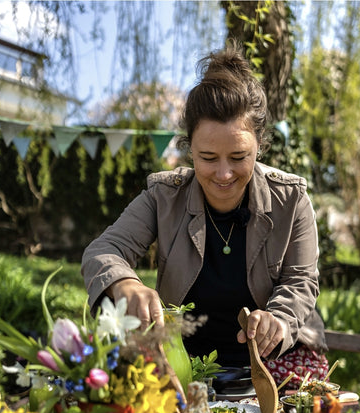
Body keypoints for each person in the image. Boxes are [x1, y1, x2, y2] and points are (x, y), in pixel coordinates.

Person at [81, 41, 328, 381]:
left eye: (239, 157)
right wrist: (125, 283)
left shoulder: (291, 199)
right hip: (184, 366)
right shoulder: (163, 196)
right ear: (189, 150)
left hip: (274, 362)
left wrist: (279, 321)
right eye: (208, 158)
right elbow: (102, 251)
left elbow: (301, 282)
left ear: (260, 145)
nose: (223, 174)